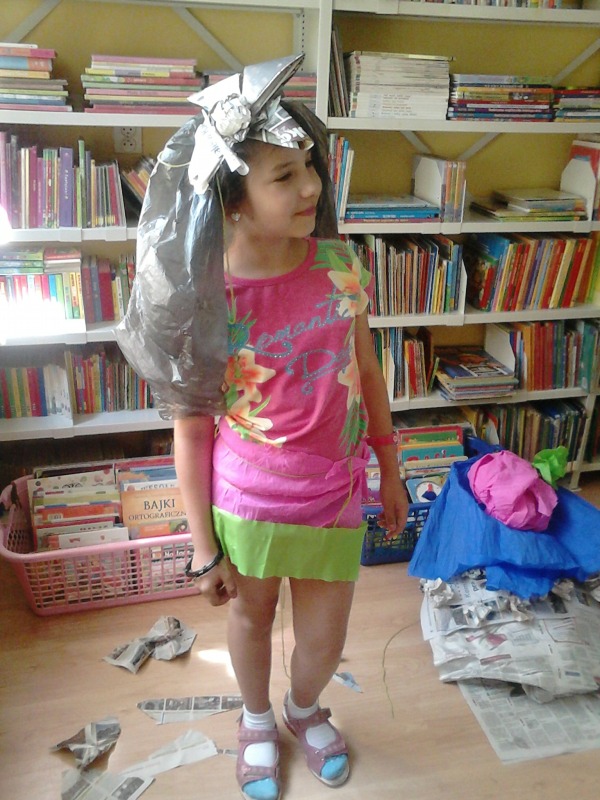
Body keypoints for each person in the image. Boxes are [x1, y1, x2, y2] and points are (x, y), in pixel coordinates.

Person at [127, 56, 408, 800]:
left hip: (335, 494)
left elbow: (368, 372)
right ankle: (256, 718)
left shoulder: (341, 265)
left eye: (309, 165)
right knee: (252, 620)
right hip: (248, 502)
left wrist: (391, 467)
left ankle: (303, 708)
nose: (312, 185)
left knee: (325, 635)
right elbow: (191, 429)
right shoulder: (206, 297)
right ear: (234, 200)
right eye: (284, 175)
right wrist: (202, 551)